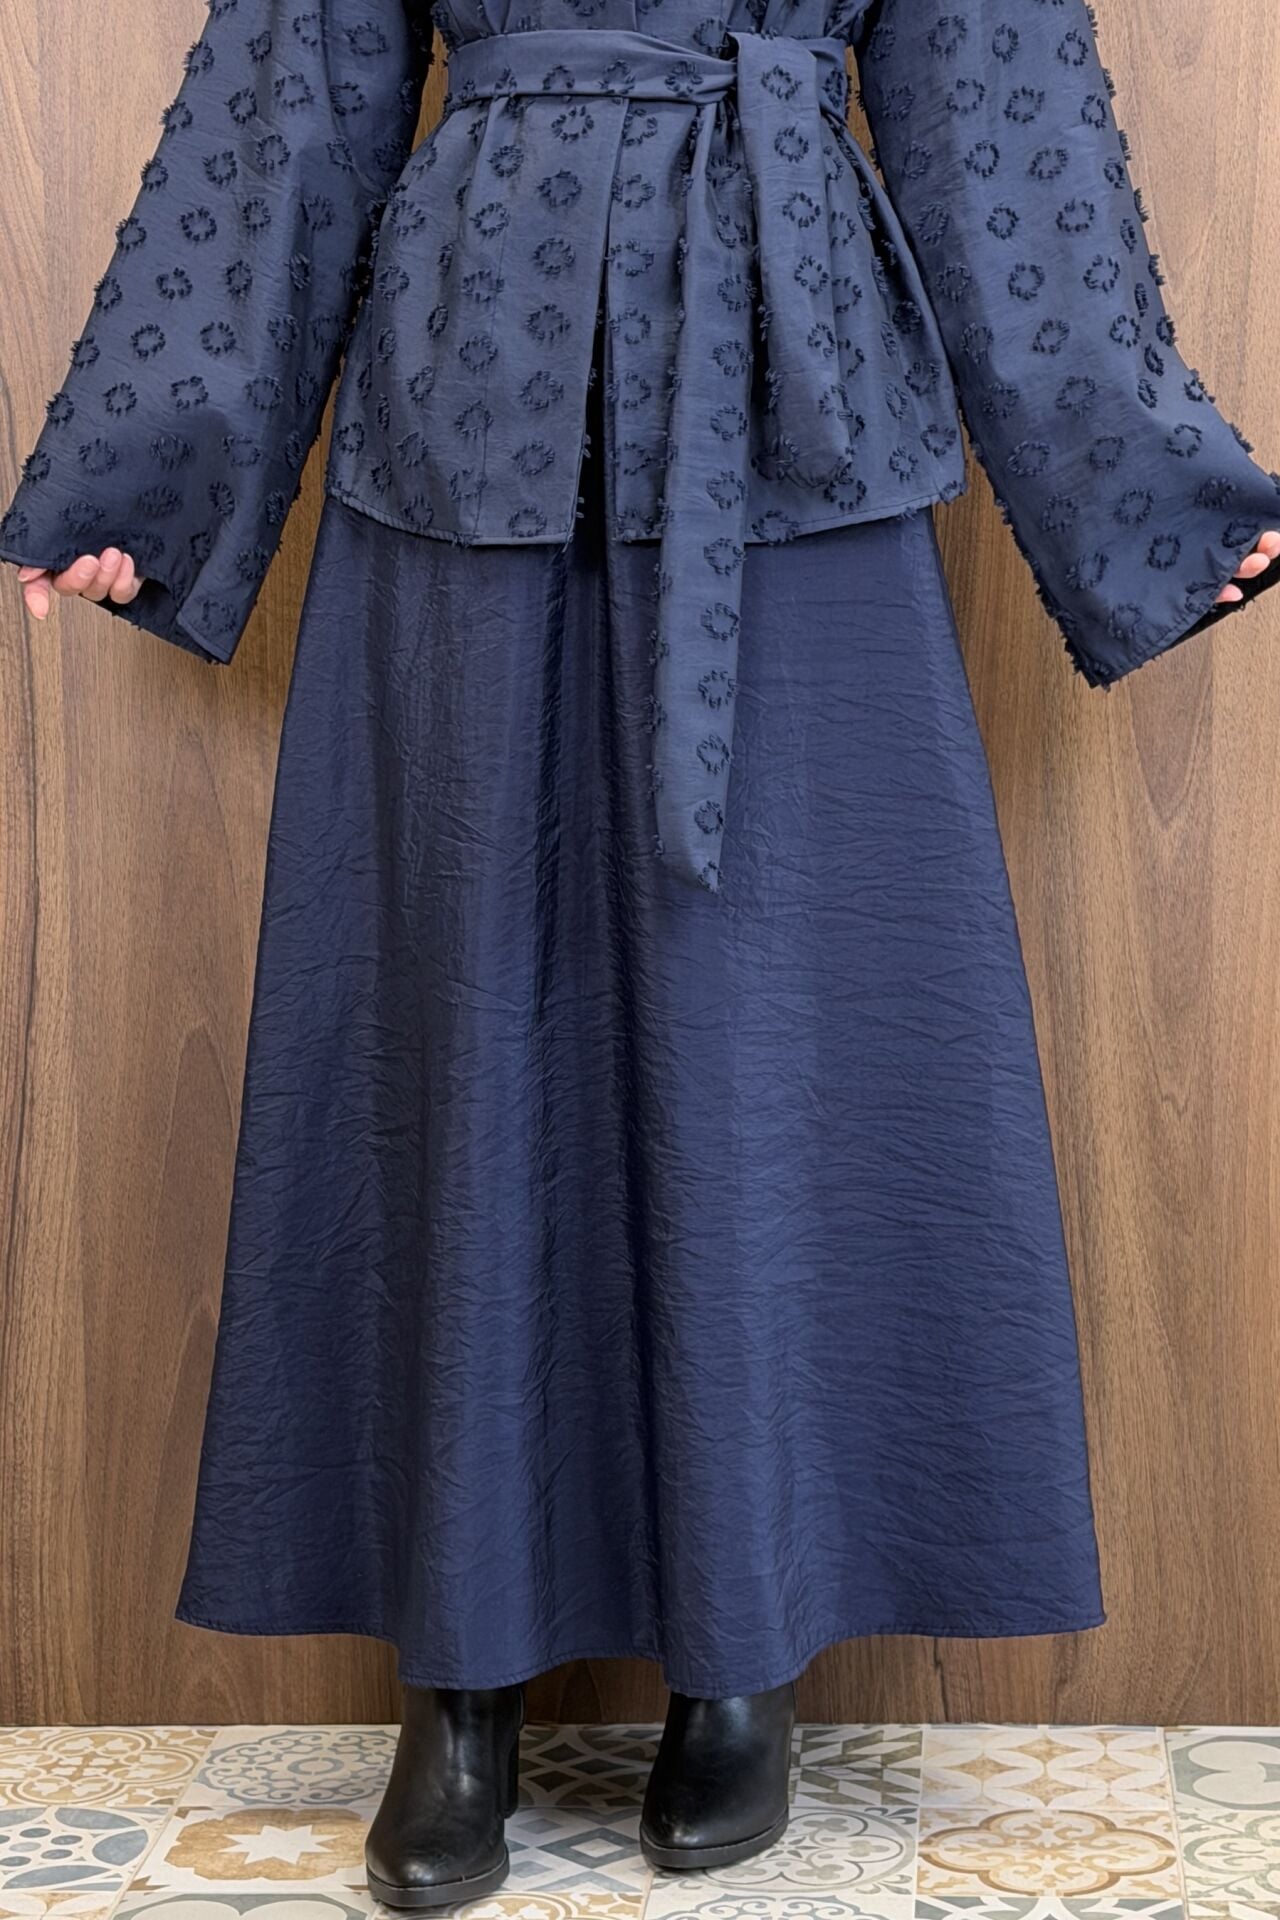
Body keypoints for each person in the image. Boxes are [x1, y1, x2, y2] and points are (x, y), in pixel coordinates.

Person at [4, 0, 1278, 1906]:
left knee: (773, 1048)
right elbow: (295, 88)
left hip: (793, 398)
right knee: (455, 1037)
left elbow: (998, 116)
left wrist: (1147, 496)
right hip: (472, 395)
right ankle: (457, 1684)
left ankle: (739, 1651)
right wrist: (141, 477)